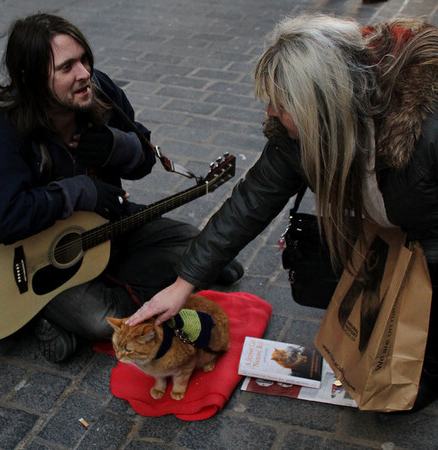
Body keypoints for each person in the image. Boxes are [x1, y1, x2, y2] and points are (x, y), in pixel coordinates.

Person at [127, 13, 438, 412]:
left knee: (414, 382)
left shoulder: (425, 128)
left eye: (282, 103)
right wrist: (183, 284)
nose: (270, 112)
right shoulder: (299, 138)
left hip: (428, 240)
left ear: (322, 107)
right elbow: (250, 202)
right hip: (393, 236)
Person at [0, 13, 243, 362]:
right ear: (31, 79)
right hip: (40, 259)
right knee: (99, 320)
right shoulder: (5, 127)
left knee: (199, 251)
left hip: (110, 227)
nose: (84, 74)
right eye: (66, 67)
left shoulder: (99, 92)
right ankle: (46, 311)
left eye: (84, 59)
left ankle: (119, 284)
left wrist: (116, 145)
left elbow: (144, 162)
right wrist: (78, 191)